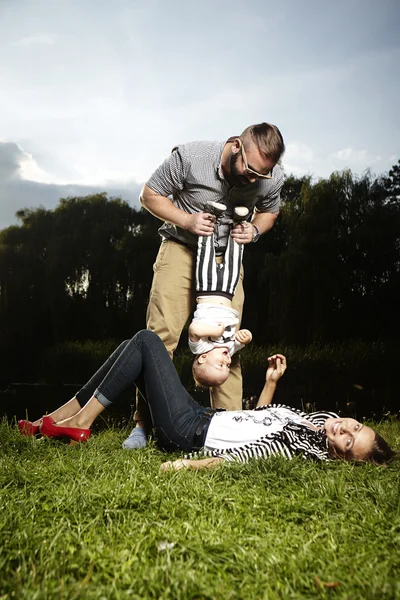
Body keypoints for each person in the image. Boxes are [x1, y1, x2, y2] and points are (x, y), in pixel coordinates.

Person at [124, 122, 285, 450]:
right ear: (236, 145)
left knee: (228, 346)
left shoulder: (272, 176)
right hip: (182, 249)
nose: (253, 179)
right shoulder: (190, 157)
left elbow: (270, 212)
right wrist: (186, 220)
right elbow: (148, 195)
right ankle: (144, 426)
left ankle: (229, 430)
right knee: (159, 339)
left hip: (227, 261)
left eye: (262, 174)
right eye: (249, 169)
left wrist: (254, 231)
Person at [18, 330, 395, 469]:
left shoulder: (302, 448)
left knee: (148, 342)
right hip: (201, 413)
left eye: (348, 444)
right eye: (356, 427)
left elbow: (246, 455)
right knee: (131, 345)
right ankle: (58, 417)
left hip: (189, 431)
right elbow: (259, 417)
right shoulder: (311, 422)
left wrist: (188, 467)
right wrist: (271, 382)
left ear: (340, 457)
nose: (344, 430)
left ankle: (80, 424)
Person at [189, 201, 252, 388]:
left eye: (219, 365)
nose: (226, 362)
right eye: (226, 366)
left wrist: (214, 332)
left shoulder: (201, 348)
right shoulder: (230, 349)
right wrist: (246, 337)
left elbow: (194, 330)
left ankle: (210, 215)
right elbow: (244, 338)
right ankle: (239, 222)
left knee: (205, 253)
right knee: (235, 257)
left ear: (203, 359)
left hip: (207, 289)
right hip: (227, 293)